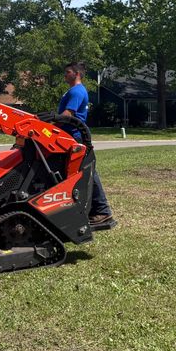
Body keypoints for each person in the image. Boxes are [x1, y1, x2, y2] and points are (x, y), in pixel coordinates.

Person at [56, 61, 116, 231]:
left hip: (76, 139)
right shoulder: (74, 90)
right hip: (71, 137)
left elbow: (68, 115)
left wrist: (50, 123)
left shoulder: (76, 91)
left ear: (77, 74)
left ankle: (102, 211)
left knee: (88, 172)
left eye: (68, 72)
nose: (65, 75)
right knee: (81, 173)